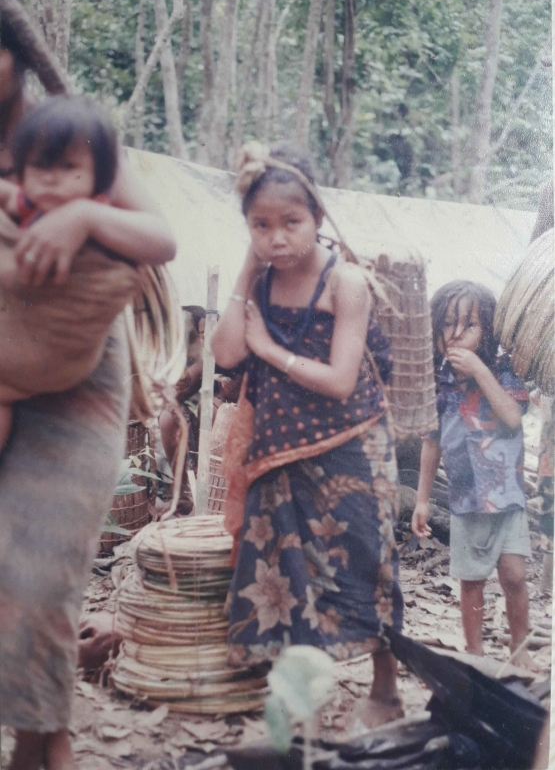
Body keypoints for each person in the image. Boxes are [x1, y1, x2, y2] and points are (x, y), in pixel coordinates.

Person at [0, 0, 176, 769]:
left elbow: (160, 236)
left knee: (42, 571)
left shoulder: (61, 134)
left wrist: (82, 219)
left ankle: (43, 741)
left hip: (79, 376)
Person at [212, 143, 403, 728]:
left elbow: (342, 381)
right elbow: (224, 352)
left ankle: (386, 690)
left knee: (368, 565)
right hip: (279, 450)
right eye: (260, 225)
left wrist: (269, 349)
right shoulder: (261, 283)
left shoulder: (346, 282)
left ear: (317, 216)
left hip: (352, 445)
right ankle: (291, 695)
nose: (276, 238)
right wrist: (246, 270)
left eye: (290, 222)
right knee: (282, 570)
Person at [0, 95, 154, 452]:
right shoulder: (26, 202)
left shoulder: (104, 212)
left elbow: (161, 246)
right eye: (41, 167)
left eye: (70, 168)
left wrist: (86, 217)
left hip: (60, 353)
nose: (53, 179)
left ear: (100, 177)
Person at [412, 281, 538, 671]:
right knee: (472, 582)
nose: (456, 334)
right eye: (448, 323)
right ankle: (475, 655)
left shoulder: (503, 371)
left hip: (507, 496)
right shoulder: (437, 386)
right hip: (466, 501)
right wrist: (420, 499)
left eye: (470, 325)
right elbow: (431, 444)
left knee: (515, 576)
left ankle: (521, 652)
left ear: (488, 332)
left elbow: (513, 416)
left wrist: (481, 370)